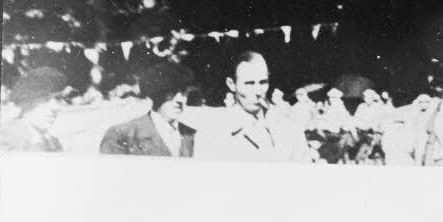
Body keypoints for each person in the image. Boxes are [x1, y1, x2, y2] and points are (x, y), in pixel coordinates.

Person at [177, 51, 312, 163]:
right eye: (249, 83)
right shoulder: (213, 131)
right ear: (231, 84)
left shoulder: (290, 129)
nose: (258, 91)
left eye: (263, 82)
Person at [99, 60, 196, 156]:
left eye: (184, 92)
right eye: (171, 93)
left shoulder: (192, 135)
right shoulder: (121, 135)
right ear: (156, 94)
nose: (180, 99)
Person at [0, 67, 68, 152]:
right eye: (46, 99)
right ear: (26, 102)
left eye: (58, 99)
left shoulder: (53, 142)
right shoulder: (6, 137)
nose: (55, 107)